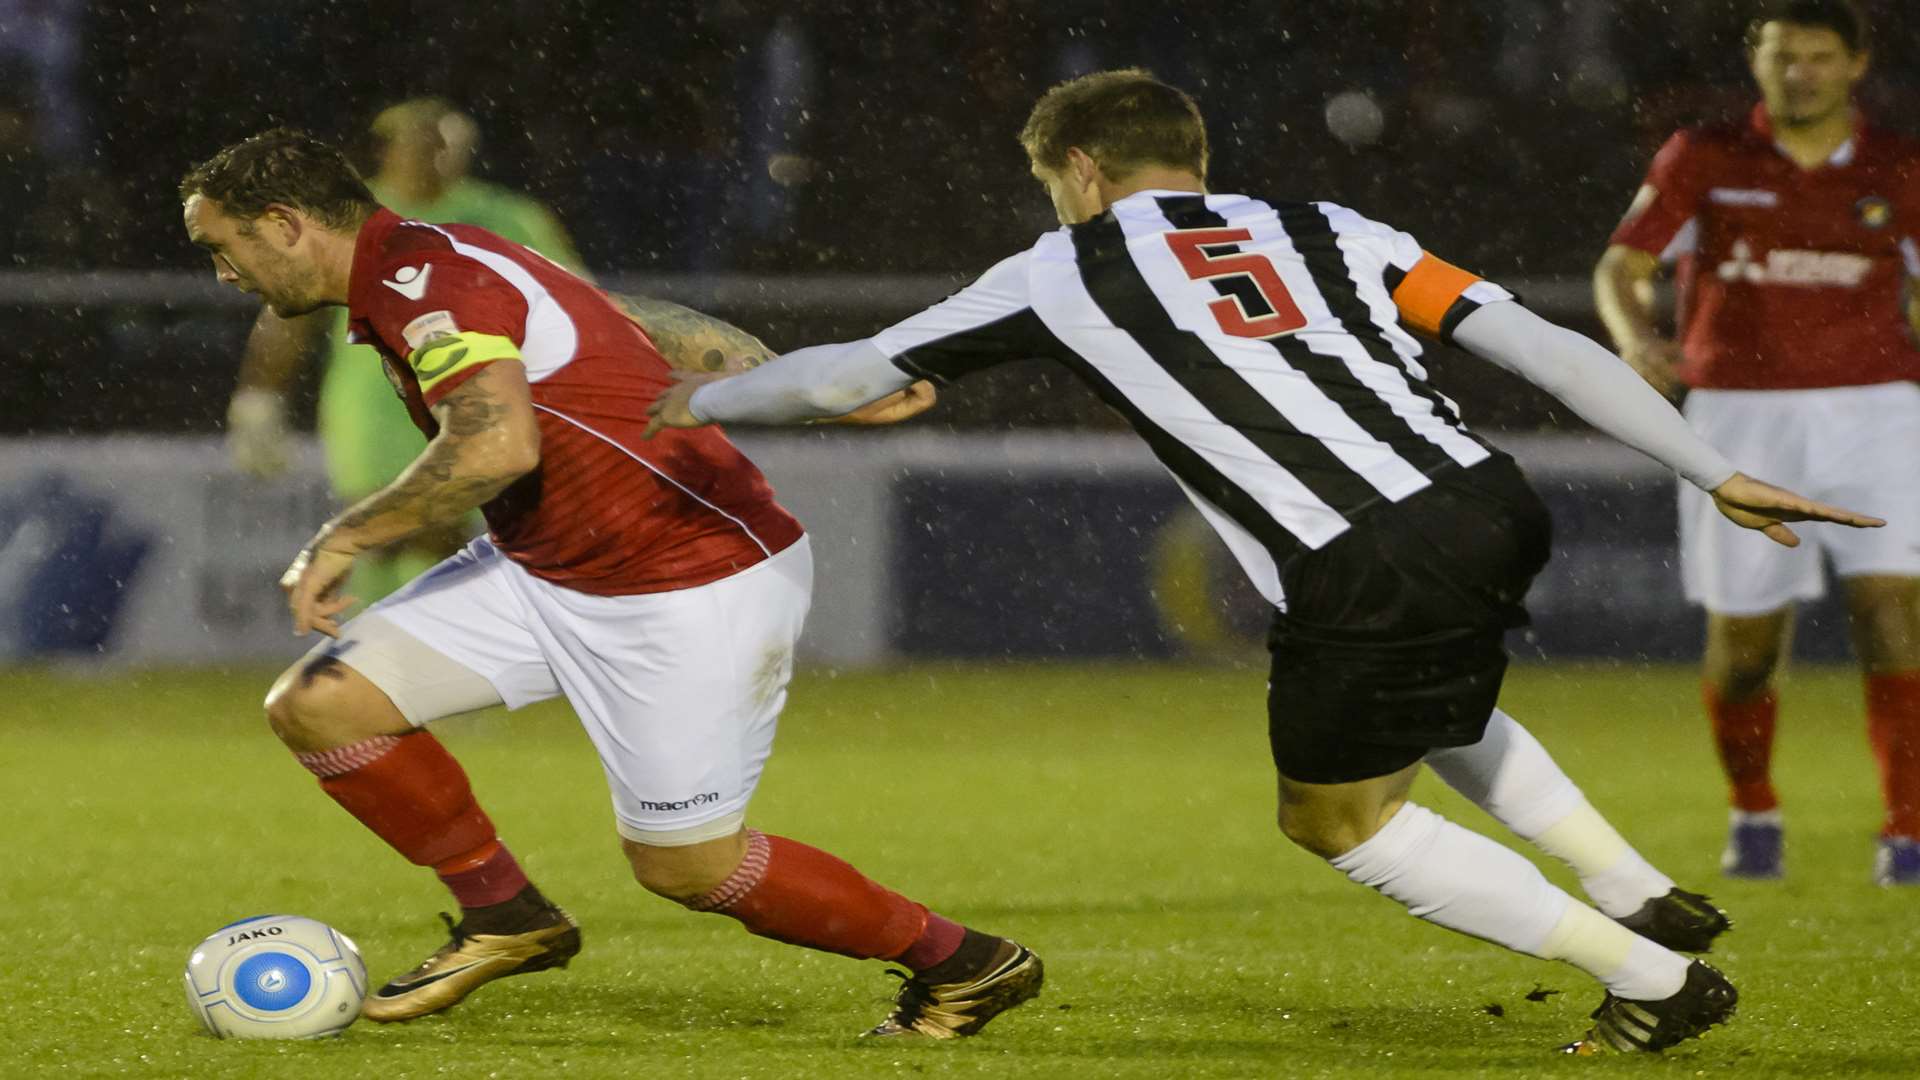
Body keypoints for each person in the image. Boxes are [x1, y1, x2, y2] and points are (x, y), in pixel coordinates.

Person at [646, 69, 1885, 1054]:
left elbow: (854, 374)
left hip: (1364, 547)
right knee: (1433, 705)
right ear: (1190, 160)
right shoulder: (1324, 225)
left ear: (1079, 171)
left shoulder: (1062, 266)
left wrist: (703, 405)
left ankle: (1653, 980)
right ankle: (1632, 887)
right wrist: (1706, 466)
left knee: (1337, 817)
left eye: (1054, 184)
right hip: (1485, 498)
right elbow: (1546, 350)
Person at [178, 128, 1029, 1040]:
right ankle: (508, 917)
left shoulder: (427, 276)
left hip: (687, 581)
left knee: (689, 869)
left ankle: (964, 963)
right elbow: (630, 318)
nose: (225, 274)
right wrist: (787, 376)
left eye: (221, 247)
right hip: (545, 565)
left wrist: (345, 534)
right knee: (322, 705)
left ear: (284, 224)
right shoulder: (433, 255)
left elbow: (498, 444)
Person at [1593, 0, 1920, 884]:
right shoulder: (1704, 156)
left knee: (1892, 619)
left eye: (1817, 57)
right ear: (1758, 64)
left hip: (1877, 410)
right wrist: (1635, 339)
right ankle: (1755, 813)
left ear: (1855, 65)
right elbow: (1623, 265)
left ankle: (1907, 832)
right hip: (1740, 413)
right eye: (1783, 58)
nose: (1799, 73)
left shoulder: (1899, 164)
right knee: (1743, 653)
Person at [224, 99, 588, 606]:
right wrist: (259, 393)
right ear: (387, 151)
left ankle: (414, 643)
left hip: (477, 391)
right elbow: (293, 306)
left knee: (445, 526)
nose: (436, 158)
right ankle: (385, 643)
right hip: (373, 400)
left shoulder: (508, 217)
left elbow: (574, 300)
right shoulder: (346, 215)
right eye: (422, 145)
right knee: (384, 522)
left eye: (449, 147)